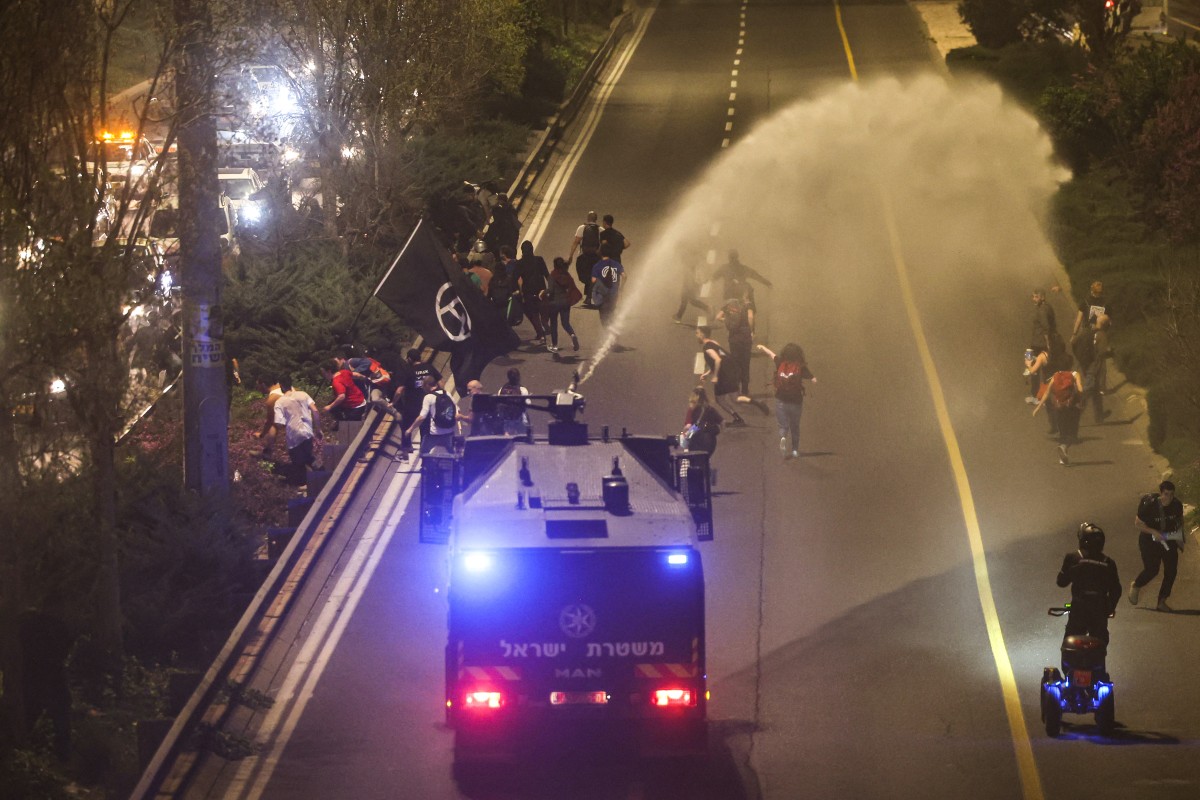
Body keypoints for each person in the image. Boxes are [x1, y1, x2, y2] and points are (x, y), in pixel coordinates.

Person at [1056, 523, 1121, 661]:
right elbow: (1116, 590)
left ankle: (1070, 672)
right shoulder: (1108, 562)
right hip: (1099, 610)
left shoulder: (1073, 557)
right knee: (1100, 644)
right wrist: (1109, 608)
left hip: (1079, 608)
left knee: (1069, 643)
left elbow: (1061, 582)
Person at [1129, 480, 1186, 612]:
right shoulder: (1149, 505)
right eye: (1166, 494)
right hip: (1149, 540)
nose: (1169, 498)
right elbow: (1138, 524)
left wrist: (1180, 538)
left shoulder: (1177, 505)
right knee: (1152, 569)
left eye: (1171, 494)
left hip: (1168, 538)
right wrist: (1154, 531)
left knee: (1171, 570)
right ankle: (1137, 585)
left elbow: (1179, 520)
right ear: (1161, 493)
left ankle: (1162, 601)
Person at [758, 343, 816, 459]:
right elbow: (813, 379)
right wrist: (813, 379)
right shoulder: (800, 366)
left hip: (781, 400)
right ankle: (795, 450)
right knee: (795, 426)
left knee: (783, 426)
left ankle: (783, 437)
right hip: (796, 401)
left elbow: (771, 354)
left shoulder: (780, 362)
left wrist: (762, 347)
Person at [1033, 355, 1082, 465]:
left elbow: (1047, 393)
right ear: (1071, 364)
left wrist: (1038, 407)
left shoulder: (1055, 376)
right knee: (1073, 435)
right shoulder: (1075, 374)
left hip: (1059, 408)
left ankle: (1062, 457)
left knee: (1063, 433)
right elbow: (1080, 389)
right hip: (1072, 408)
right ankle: (1063, 448)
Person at [274, 376, 322, 484]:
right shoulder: (303, 394)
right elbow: (315, 410)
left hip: (293, 436)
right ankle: (321, 475)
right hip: (307, 432)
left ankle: (305, 484)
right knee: (309, 457)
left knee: (298, 463)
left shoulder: (279, 402)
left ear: (281, 386)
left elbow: (279, 423)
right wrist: (318, 429)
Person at [696, 325, 745, 426]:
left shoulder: (707, 348)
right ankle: (747, 410)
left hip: (723, 375)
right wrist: (707, 373)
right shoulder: (714, 343)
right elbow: (719, 359)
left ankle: (738, 418)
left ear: (702, 334)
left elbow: (718, 360)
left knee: (720, 399)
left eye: (697, 333)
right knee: (733, 398)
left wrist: (715, 376)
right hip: (729, 372)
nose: (696, 335)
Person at [716, 295, 754, 402]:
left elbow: (718, 317)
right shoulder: (747, 305)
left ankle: (736, 391)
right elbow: (751, 318)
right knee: (745, 364)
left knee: (736, 365)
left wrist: (726, 320)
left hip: (734, 340)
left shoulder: (728, 305)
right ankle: (745, 391)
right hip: (746, 339)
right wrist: (750, 331)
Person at [406, 375, 457, 454]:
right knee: (452, 454)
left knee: (423, 452)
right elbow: (457, 410)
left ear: (427, 385)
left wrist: (410, 429)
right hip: (449, 431)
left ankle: (425, 466)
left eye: (423, 386)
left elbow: (422, 417)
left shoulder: (428, 397)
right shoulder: (447, 394)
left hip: (435, 433)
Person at [514, 240, 550, 345]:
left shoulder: (519, 263)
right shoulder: (539, 260)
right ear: (532, 249)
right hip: (541, 289)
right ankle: (545, 323)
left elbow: (514, 279)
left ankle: (541, 334)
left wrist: (516, 291)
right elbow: (547, 275)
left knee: (533, 314)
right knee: (544, 310)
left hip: (528, 291)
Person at [543, 256, 581, 353]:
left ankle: (555, 346)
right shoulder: (566, 275)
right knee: (565, 323)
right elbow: (571, 287)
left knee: (554, 324)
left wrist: (543, 292)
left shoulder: (552, 275)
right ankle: (572, 335)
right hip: (565, 302)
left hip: (554, 303)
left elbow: (550, 291)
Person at [568, 211, 602, 305]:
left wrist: (570, 256)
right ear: (596, 219)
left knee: (585, 277)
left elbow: (576, 242)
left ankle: (588, 297)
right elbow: (604, 244)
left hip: (583, 257)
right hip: (596, 257)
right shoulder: (601, 230)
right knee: (593, 277)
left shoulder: (582, 228)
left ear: (588, 218)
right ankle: (590, 295)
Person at [672, 250, 712, 324]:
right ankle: (678, 316)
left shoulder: (690, 265)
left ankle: (678, 317)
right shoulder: (691, 265)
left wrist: (692, 285)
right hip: (688, 285)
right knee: (692, 301)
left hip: (688, 286)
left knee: (687, 301)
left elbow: (693, 277)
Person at [590, 244, 625, 328]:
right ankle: (613, 333)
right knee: (612, 313)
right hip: (614, 293)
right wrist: (621, 287)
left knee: (603, 316)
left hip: (602, 295)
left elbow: (593, 280)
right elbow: (624, 276)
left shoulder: (597, 266)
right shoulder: (616, 264)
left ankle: (608, 334)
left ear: (601, 253)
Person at [681, 387, 723, 455]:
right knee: (705, 459)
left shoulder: (693, 410)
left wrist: (684, 441)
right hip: (710, 442)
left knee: (695, 460)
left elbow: (689, 427)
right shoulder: (711, 409)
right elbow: (722, 422)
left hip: (696, 440)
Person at [253, 376, 285, 459]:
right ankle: (268, 451)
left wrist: (261, 435)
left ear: (263, 384)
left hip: (296, 429)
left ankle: (268, 453)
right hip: (305, 421)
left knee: (273, 425)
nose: (258, 389)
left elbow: (269, 422)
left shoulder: (272, 399)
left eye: (258, 386)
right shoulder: (288, 387)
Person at [497, 367, 531, 436]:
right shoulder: (522, 389)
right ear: (518, 377)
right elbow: (527, 404)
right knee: (522, 439)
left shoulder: (501, 389)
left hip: (506, 420)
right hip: (520, 419)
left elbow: (499, 405)